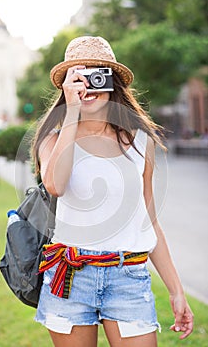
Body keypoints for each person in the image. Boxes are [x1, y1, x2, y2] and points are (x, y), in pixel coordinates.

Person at [31, 36, 193, 347]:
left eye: (97, 76)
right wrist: (72, 113)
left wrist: (176, 289)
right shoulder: (53, 140)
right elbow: (55, 185)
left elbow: (149, 219)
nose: (89, 85)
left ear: (112, 83)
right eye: (79, 78)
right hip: (69, 277)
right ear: (66, 86)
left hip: (127, 277)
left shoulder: (139, 142)